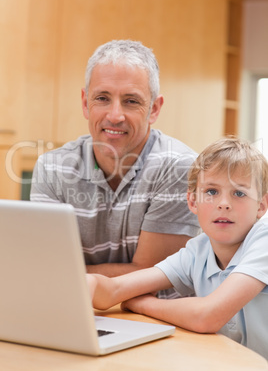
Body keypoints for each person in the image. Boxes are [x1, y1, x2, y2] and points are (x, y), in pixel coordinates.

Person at [30, 40, 199, 297]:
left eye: (131, 101)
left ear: (154, 109)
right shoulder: (51, 168)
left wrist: (66, 274)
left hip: (158, 320)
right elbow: (46, 268)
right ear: (86, 103)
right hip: (78, 311)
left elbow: (151, 274)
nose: (115, 115)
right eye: (102, 98)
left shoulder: (178, 167)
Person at [87, 137, 268, 359]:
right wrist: (89, 283)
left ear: (261, 206)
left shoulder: (264, 242)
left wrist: (143, 304)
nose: (223, 203)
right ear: (192, 202)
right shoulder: (197, 251)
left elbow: (207, 316)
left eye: (239, 193)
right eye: (211, 191)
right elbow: (113, 291)